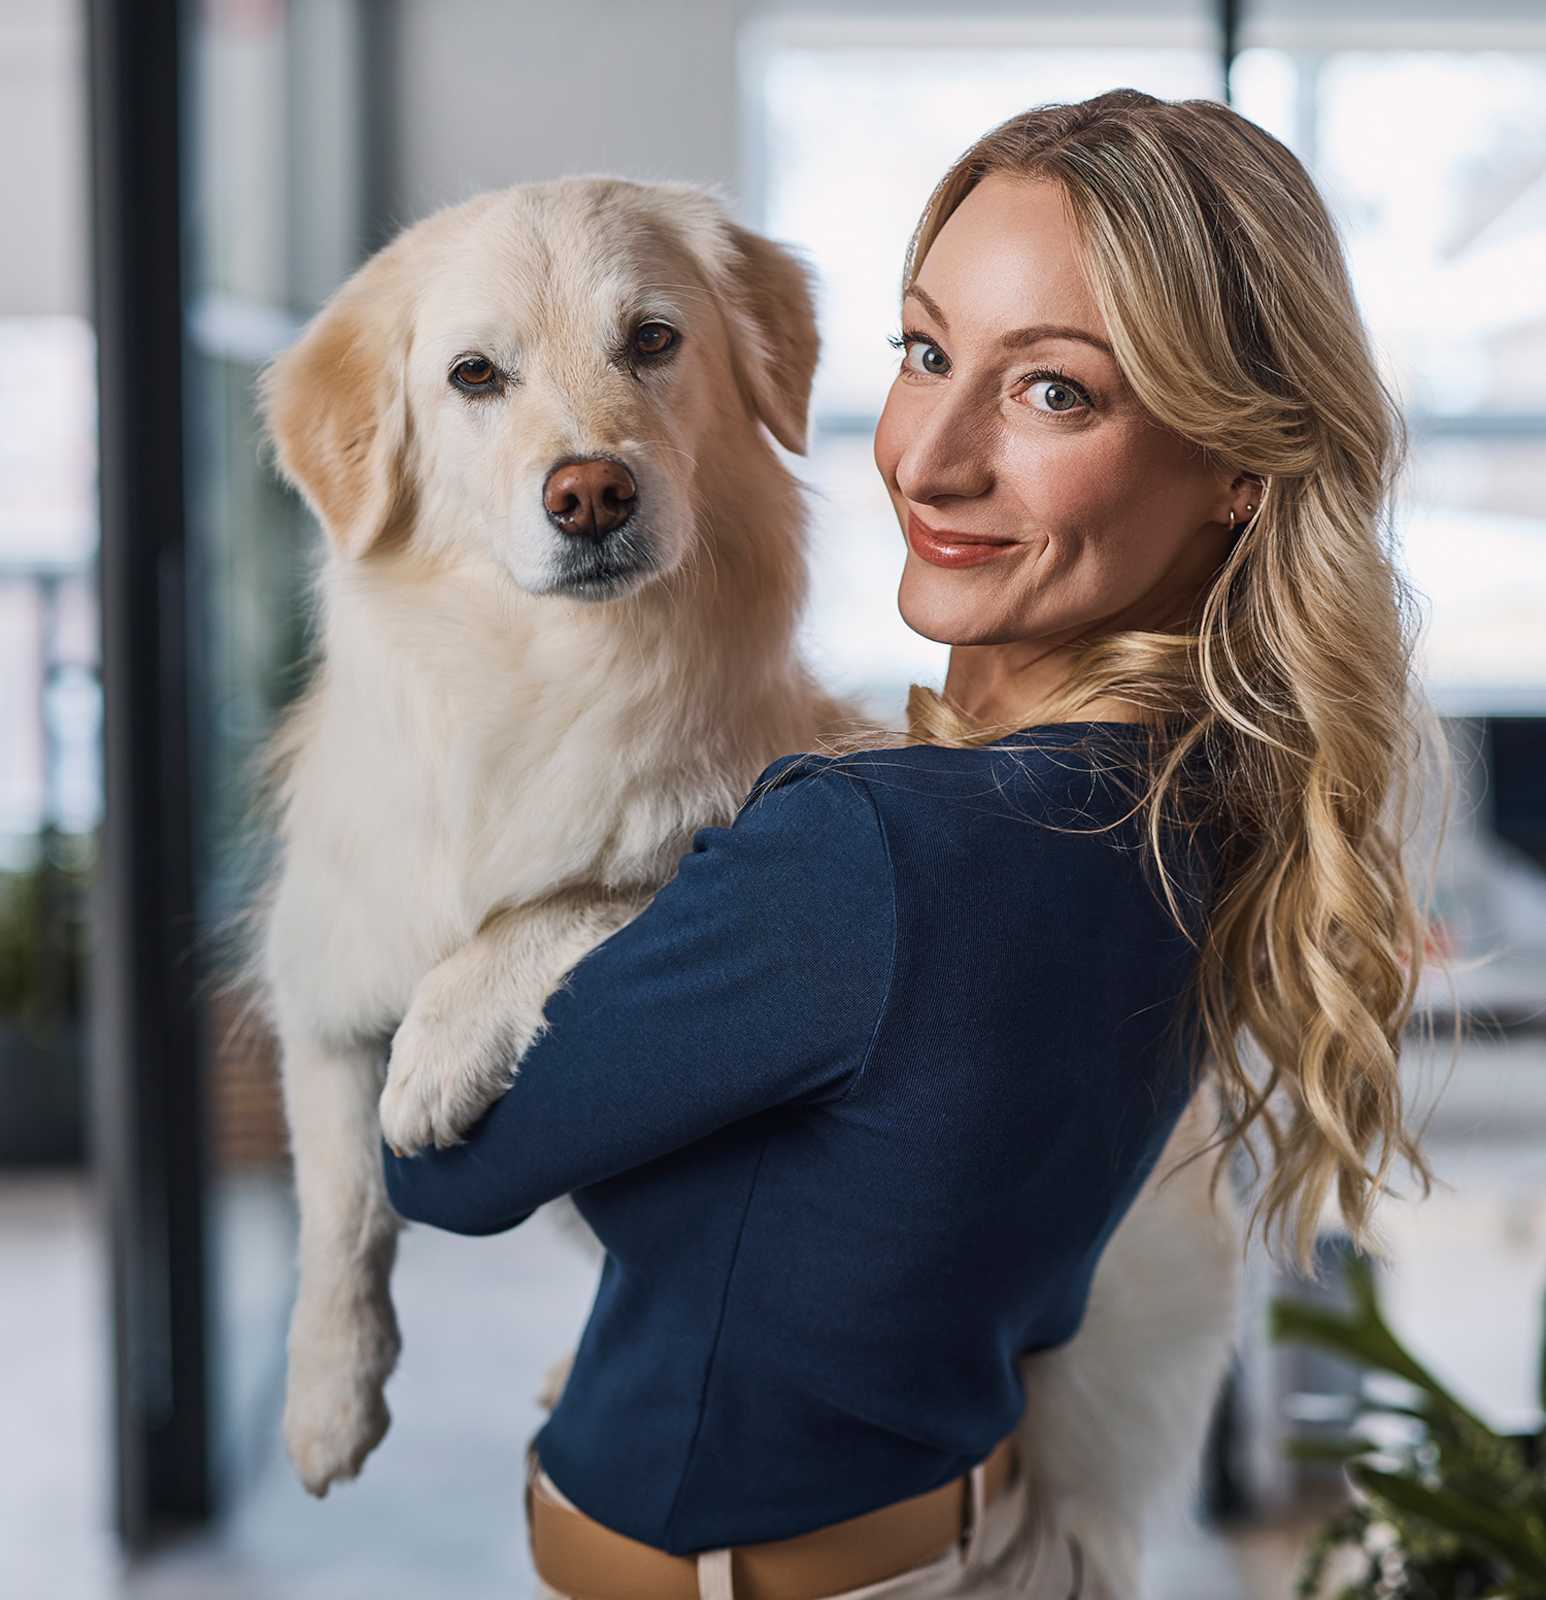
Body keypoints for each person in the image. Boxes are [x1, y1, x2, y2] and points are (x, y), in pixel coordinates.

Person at [382, 86, 1442, 1599]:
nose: (925, 460)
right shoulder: (1205, 795)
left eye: (1053, 392)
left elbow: (450, 1169)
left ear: (1238, 468)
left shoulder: (871, 854)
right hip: (960, 1527)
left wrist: (543, 926)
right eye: (925, 353)